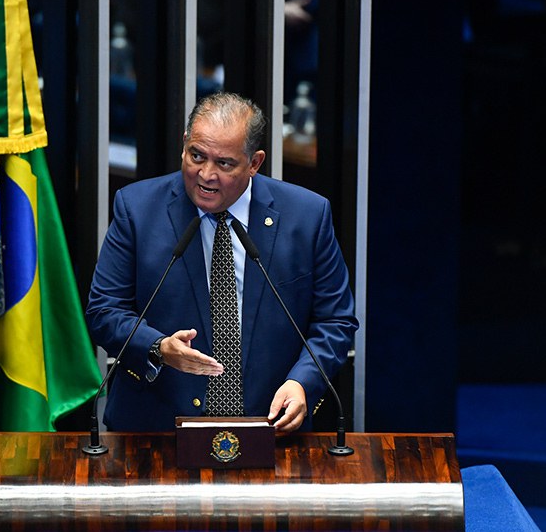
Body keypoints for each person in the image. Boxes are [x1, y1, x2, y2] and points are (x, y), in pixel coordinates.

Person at [86, 92, 358, 433]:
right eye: (196, 155)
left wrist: (303, 382)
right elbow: (104, 311)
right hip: (157, 431)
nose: (206, 175)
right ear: (184, 143)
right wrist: (158, 347)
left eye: (224, 163)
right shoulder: (137, 209)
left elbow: (336, 321)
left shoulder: (307, 216)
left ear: (255, 163)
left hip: (270, 429)